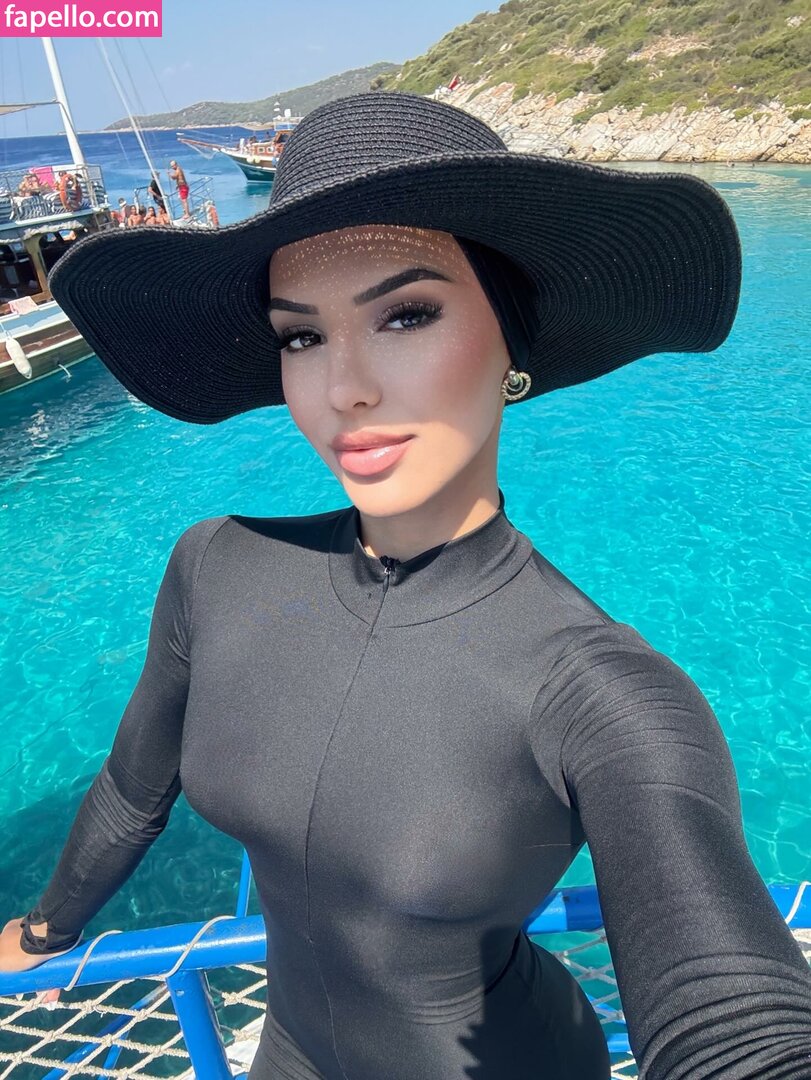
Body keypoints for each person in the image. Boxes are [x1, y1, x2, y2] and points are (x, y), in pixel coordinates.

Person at [2, 91, 810, 1079]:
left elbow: (728, 1013)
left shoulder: (602, 688)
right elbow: (133, 791)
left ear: (512, 344)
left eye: (406, 314)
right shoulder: (214, 566)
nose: (345, 386)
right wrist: (43, 933)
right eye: (300, 336)